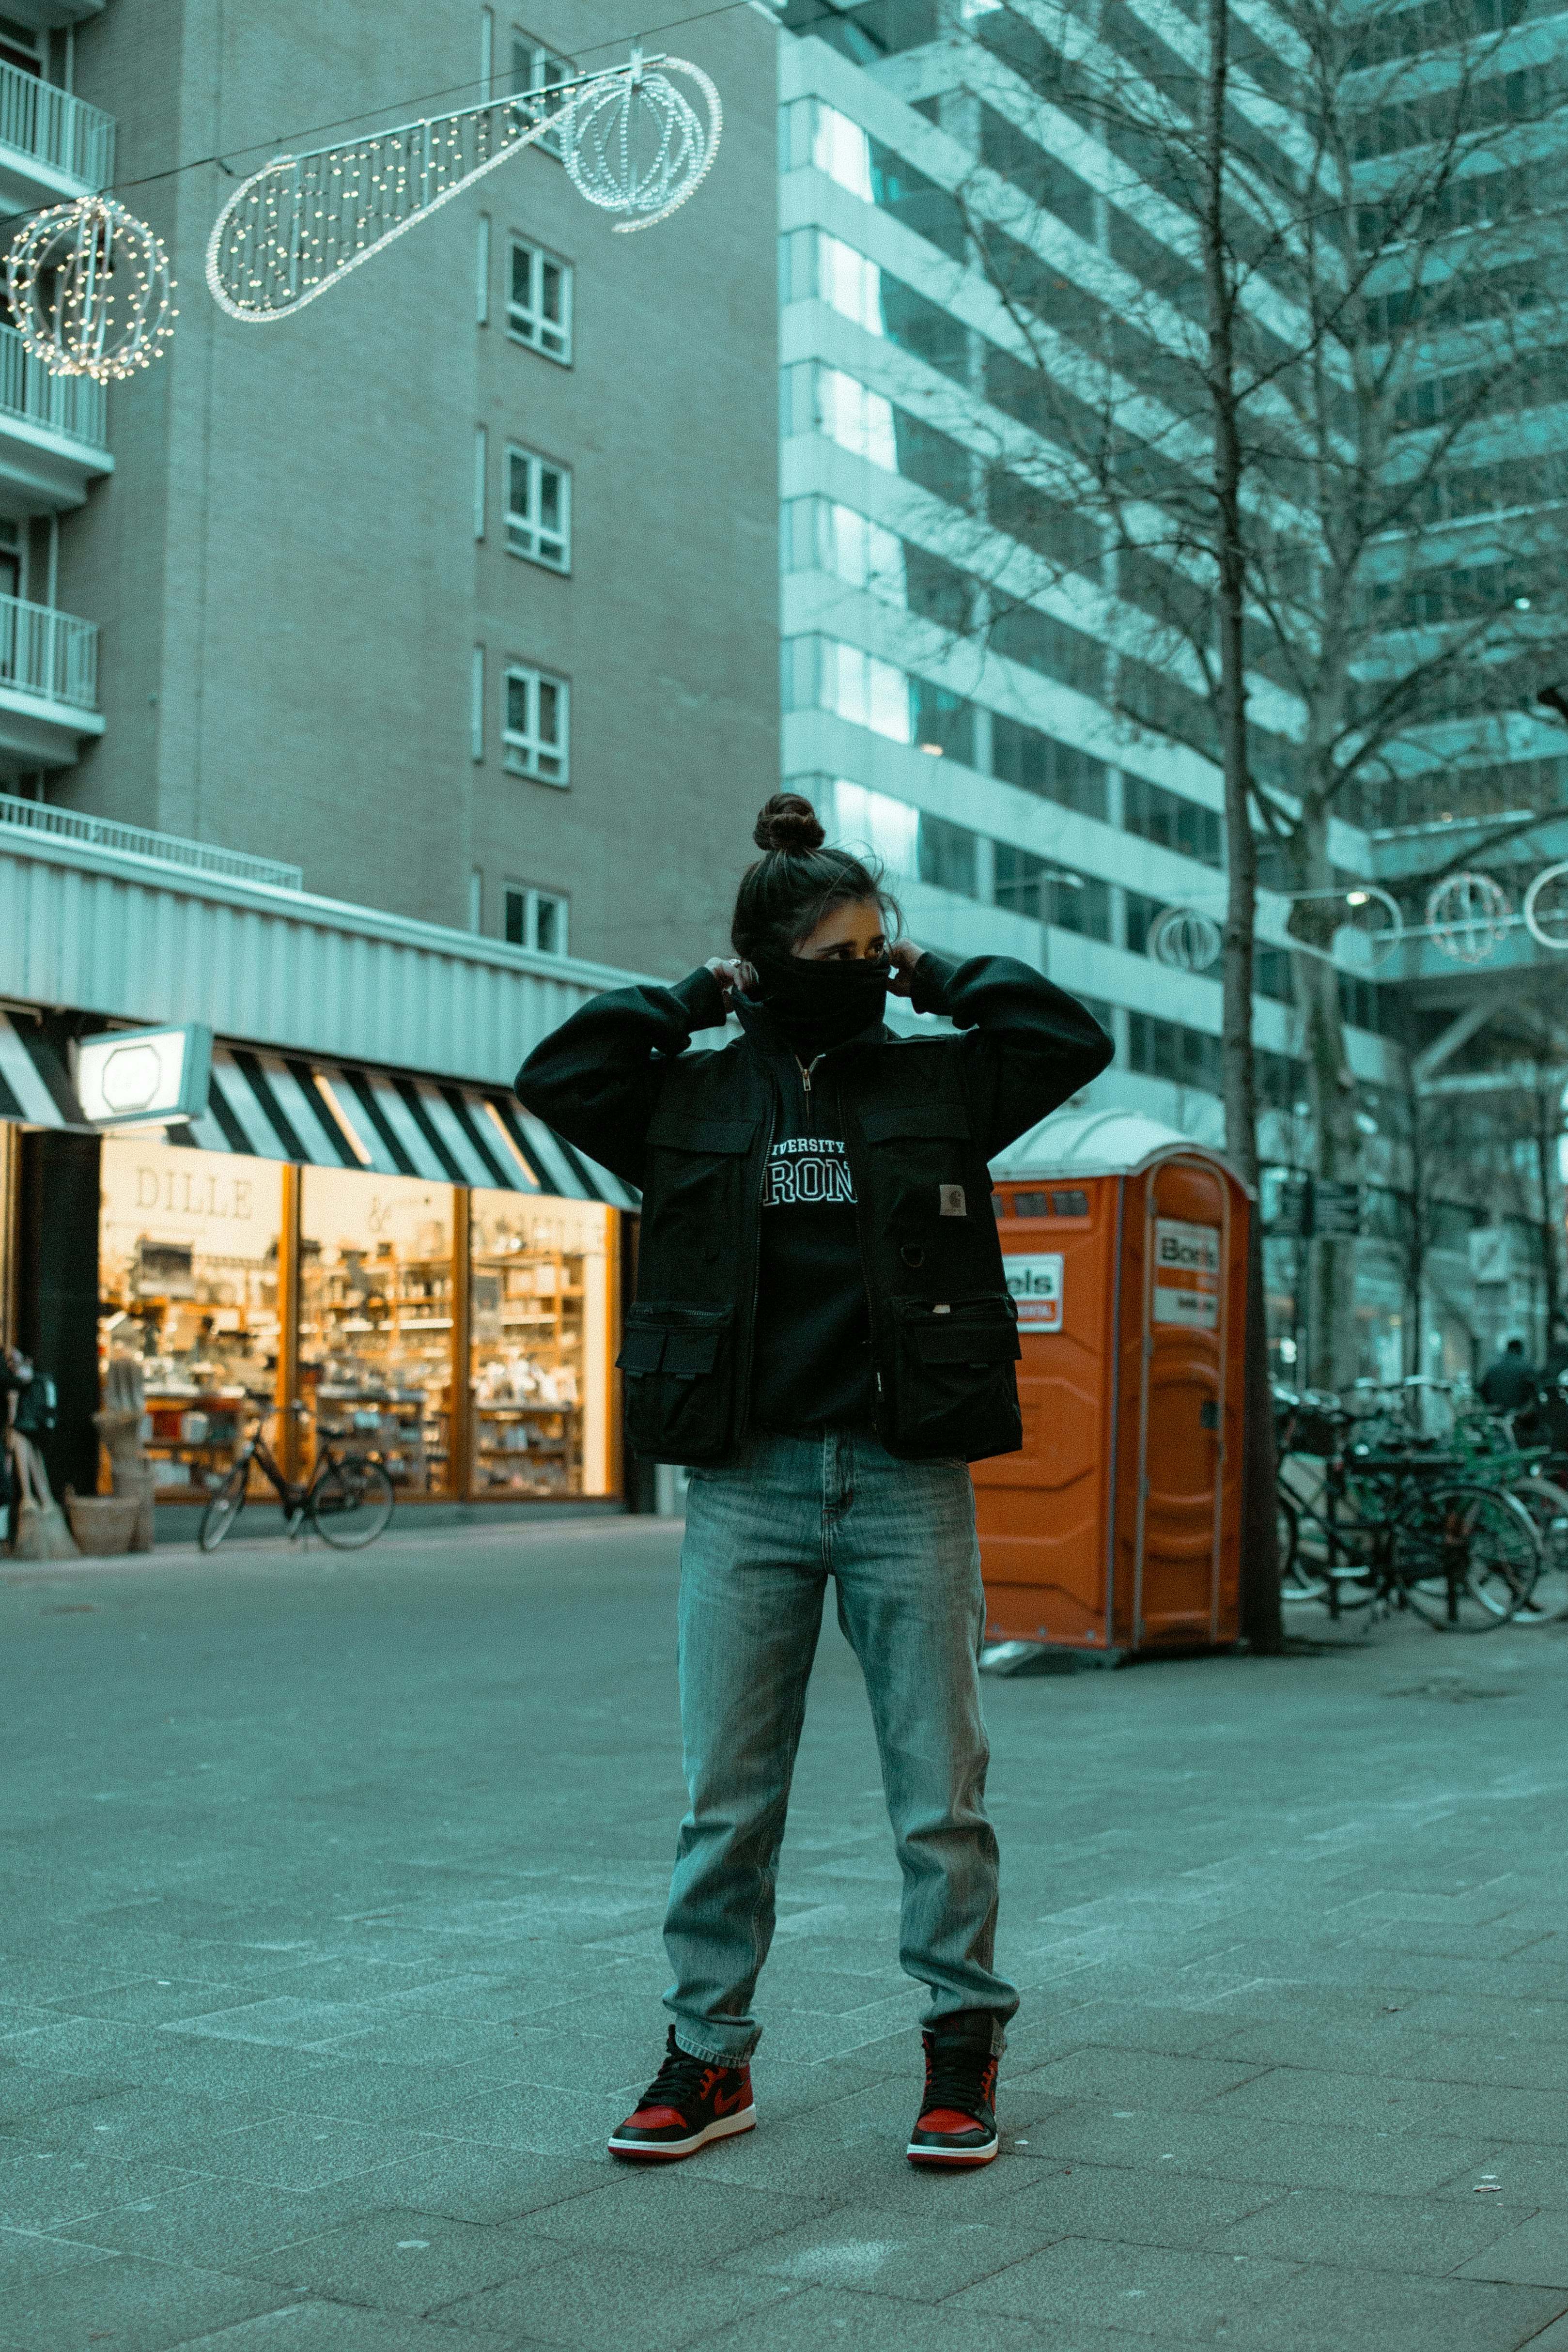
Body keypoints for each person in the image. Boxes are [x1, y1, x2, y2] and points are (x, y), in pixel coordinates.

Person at [517, 794, 1113, 2169]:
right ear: (759, 960)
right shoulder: (689, 1095)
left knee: (938, 1794)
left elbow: (1066, 1037)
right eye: (833, 954)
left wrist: (925, 975)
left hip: (908, 1479)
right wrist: (691, 998)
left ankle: (959, 2054)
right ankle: (706, 2059)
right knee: (726, 1797)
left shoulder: (936, 1078)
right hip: (748, 1487)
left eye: (874, 951)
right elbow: (560, 1075)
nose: (858, 973)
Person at [1477, 1336, 1539, 1416]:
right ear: (1521, 1350)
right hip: (1519, 1415)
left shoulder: (1494, 1368)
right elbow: (1534, 1392)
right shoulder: (1527, 1368)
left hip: (1495, 1414)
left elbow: (1483, 1391)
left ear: (1507, 1350)